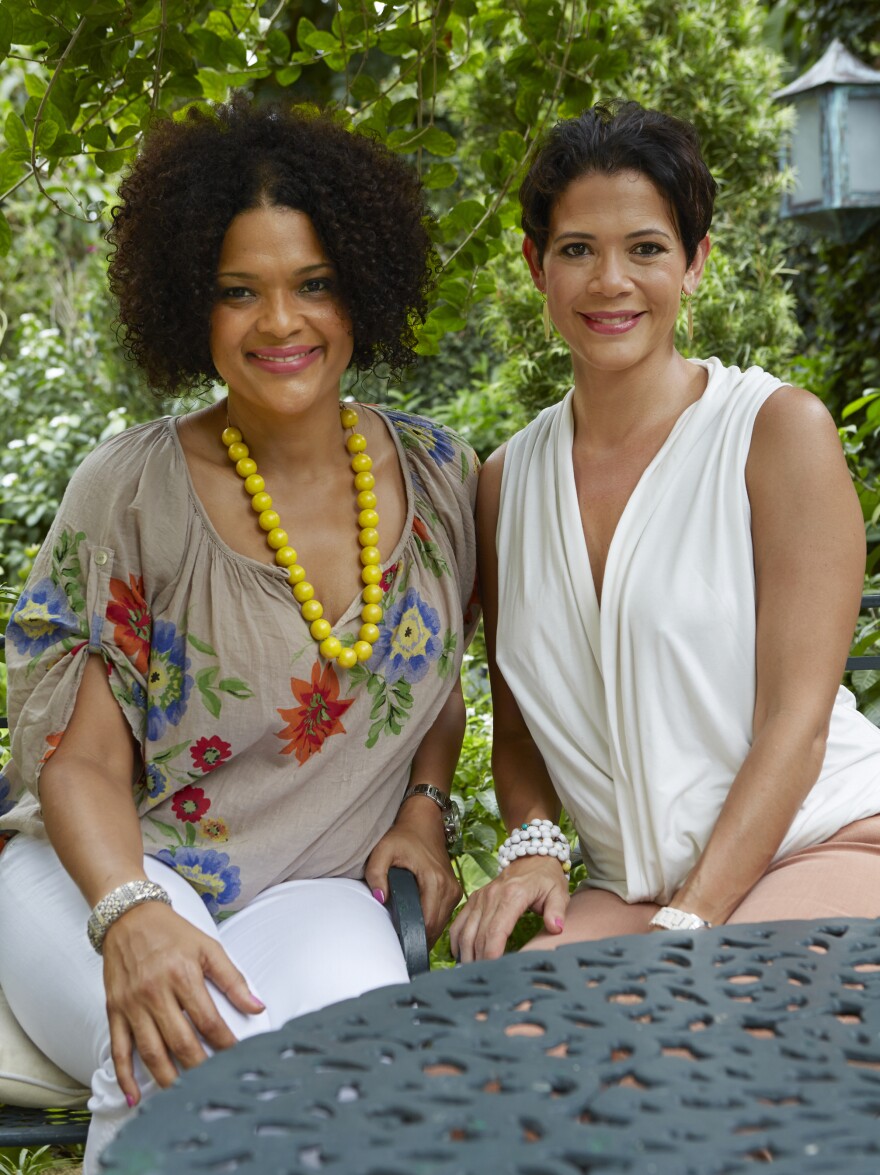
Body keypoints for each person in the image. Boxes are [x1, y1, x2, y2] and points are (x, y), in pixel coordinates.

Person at [0, 95, 478, 1171]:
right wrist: (127, 913)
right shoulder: (128, 489)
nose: (280, 322)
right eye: (237, 291)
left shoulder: (444, 477)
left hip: (316, 886)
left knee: (354, 1087)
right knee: (188, 1053)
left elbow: (435, 677)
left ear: (363, 286)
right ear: (189, 305)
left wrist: (424, 806)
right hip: (104, 866)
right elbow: (76, 762)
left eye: (313, 282)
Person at [449, 100, 880, 965]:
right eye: (578, 249)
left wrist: (690, 925)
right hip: (635, 892)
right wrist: (535, 843)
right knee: (495, 1065)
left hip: (826, 843)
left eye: (646, 248)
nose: (612, 280)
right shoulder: (505, 483)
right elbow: (519, 726)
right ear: (537, 266)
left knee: (698, 1040)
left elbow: (795, 724)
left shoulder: (774, 432)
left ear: (695, 264)